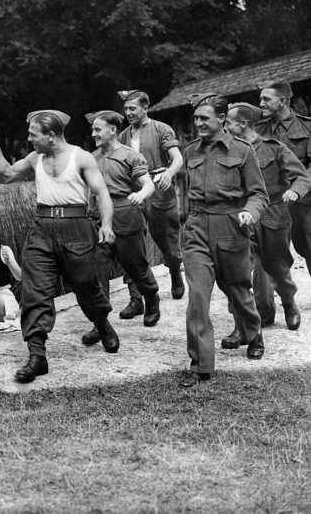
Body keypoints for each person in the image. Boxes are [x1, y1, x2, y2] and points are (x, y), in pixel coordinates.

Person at [0, 111, 118, 384]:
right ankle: (37, 356)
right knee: (35, 290)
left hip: (76, 229)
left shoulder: (82, 157)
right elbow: (5, 175)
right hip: (41, 229)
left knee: (87, 286)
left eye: (34, 135)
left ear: (51, 136)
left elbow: (102, 193)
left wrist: (106, 224)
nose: (29, 139)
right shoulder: (35, 158)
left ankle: (102, 324)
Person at [179, 93, 268, 388]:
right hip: (197, 229)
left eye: (205, 118)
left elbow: (258, 194)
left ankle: (253, 333)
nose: (199, 123)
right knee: (198, 296)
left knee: (239, 289)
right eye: (196, 119)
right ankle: (201, 364)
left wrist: (249, 213)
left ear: (221, 119)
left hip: (231, 226)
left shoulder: (242, 150)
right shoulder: (191, 150)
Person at [223, 102, 310, 338]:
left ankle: (289, 301)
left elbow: (302, 177)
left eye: (228, 122)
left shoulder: (275, 148)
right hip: (241, 215)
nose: (224, 126)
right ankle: (241, 325)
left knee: (278, 266)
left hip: (273, 213)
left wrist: (294, 191)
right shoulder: (227, 149)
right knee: (237, 271)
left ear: (242, 124)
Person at [82, 111, 160, 348]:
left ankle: (151, 298)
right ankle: (101, 323)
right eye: (93, 129)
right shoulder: (91, 158)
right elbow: (90, 191)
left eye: (98, 129)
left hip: (125, 212)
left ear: (113, 130)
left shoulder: (130, 156)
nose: (93, 134)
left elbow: (148, 185)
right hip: (98, 219)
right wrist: (88, 209)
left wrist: (139, 194)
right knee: (98, 272)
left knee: (135, 265)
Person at [117, 90, 185, 317]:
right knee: (130, 244)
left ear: (145, 108)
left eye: (132, 109)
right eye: (126, 109)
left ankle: (175, 269)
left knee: (169, 241)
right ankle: (136, 297)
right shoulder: (122, 136)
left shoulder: (161, 129)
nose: (128, 113)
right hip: (133, 192)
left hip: (159, 188)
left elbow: (177, 158)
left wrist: (169, 174)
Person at [256, 80, 311, 278]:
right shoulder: (257, 131)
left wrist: (298, 188)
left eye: (266, 99)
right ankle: (287, 303)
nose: (261, 103)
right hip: (271, 203)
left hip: (304, 203)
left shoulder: (307, 127)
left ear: (283, 100)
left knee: (309, 248)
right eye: (260, 98)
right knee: (273, 254)